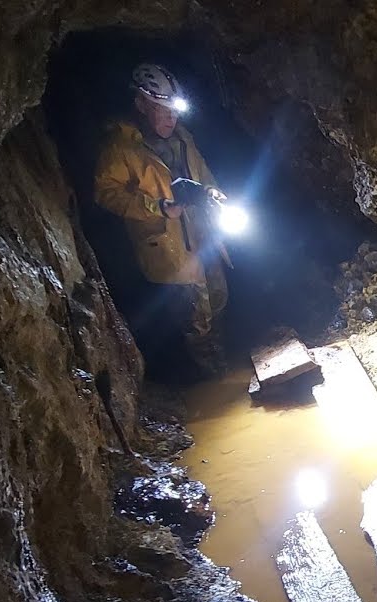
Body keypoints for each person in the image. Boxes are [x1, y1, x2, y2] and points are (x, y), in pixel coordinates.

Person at [94, 62, 230, 376]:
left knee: (220, 298)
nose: (171, 118)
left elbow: (204, 174)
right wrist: (157, 206)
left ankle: (224, 364)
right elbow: (106, 193)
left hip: (204, 234)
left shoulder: (182, 137)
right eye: (162, 110)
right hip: (169, 247)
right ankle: (212, 379)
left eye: (174, 110)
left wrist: (213, 193)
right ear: (141, 105)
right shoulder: (121, 148)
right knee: (196, 317)